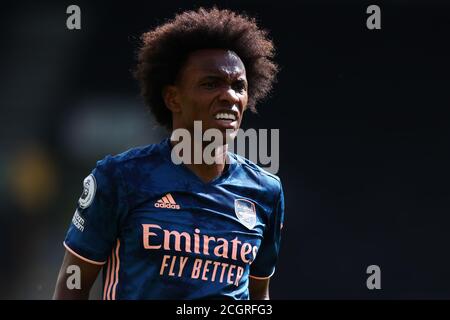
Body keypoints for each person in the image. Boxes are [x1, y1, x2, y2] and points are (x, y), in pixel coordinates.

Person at [53, 7, 284, 300]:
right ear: (172, 97)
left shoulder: (265, 192)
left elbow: (258, 294)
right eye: (210, 83)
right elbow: (72, 287)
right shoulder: (120, 178)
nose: (229, 96)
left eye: (239, 86)